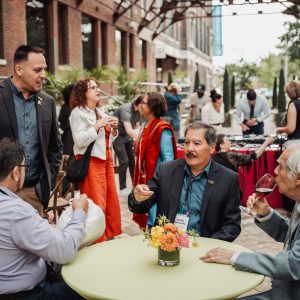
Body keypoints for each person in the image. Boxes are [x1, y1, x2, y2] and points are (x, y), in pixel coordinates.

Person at [200, 140, 300, 300]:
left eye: (280, 166)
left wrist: (235, 257)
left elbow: (293, 265)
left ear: (298, 178)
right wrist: (266, 214)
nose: (274, 171)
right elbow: (291, 235)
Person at [0, 138, 88, 299]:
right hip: (24, 294)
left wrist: (37, 225)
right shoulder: (15, 211)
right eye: (24, 166)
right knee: (86, 289)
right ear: (16, 172)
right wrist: (80, 212)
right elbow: (65, 250)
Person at [129, 122, 241, 242]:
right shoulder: (166, 171)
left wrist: (208, 246)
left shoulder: (228, 179)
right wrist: (137, 197)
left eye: (197, 143)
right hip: (168, 247)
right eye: (187, 142)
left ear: (212, 148)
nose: (189, 149)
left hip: (203, 249)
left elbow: (232, 225)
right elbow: (140, 206)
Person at [0, 45, 63, 215]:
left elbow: (55, 148)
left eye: (44, 69)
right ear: (18, 69)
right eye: (37, 70)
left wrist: (45, 185)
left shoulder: (47, 102)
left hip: (34, 195)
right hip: (2, 197)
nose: (43, 76)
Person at [69, 78, 121, 242]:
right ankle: (97, 239)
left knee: (111, 199)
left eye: (97, 86)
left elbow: (107, 139)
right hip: (92, 162)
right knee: (97, 201)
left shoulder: (100, 111)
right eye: (93, 87)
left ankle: (109, 233)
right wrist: (97, 125)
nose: (97, 90)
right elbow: (79, 140)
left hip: (107, 160)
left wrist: (114, 129)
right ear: (83, 93)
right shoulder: (77, 113)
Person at [133, 92, 177, 229]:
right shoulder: (146, 125)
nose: (140, 105)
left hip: (157, 183)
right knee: (148, 223)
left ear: (152, 108)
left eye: (144, 103)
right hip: (146, 180)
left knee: (156, 223)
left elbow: (168, 160)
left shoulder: (161, 129)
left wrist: (158, 183)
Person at [113, 95, 143, 196]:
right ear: (138, 104)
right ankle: (122, 188)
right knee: (124, 161)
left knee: (132, 162)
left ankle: (135, 185)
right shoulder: (126, 109)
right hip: (117, 136)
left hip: (127, 138)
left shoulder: (139, 111)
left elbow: (137, 126)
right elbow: (130, 131)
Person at [58, 84, 75, 155]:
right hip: (70, 140)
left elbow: (61, 124)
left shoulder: (64, 108)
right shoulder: (71, 109)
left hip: (66, 140)